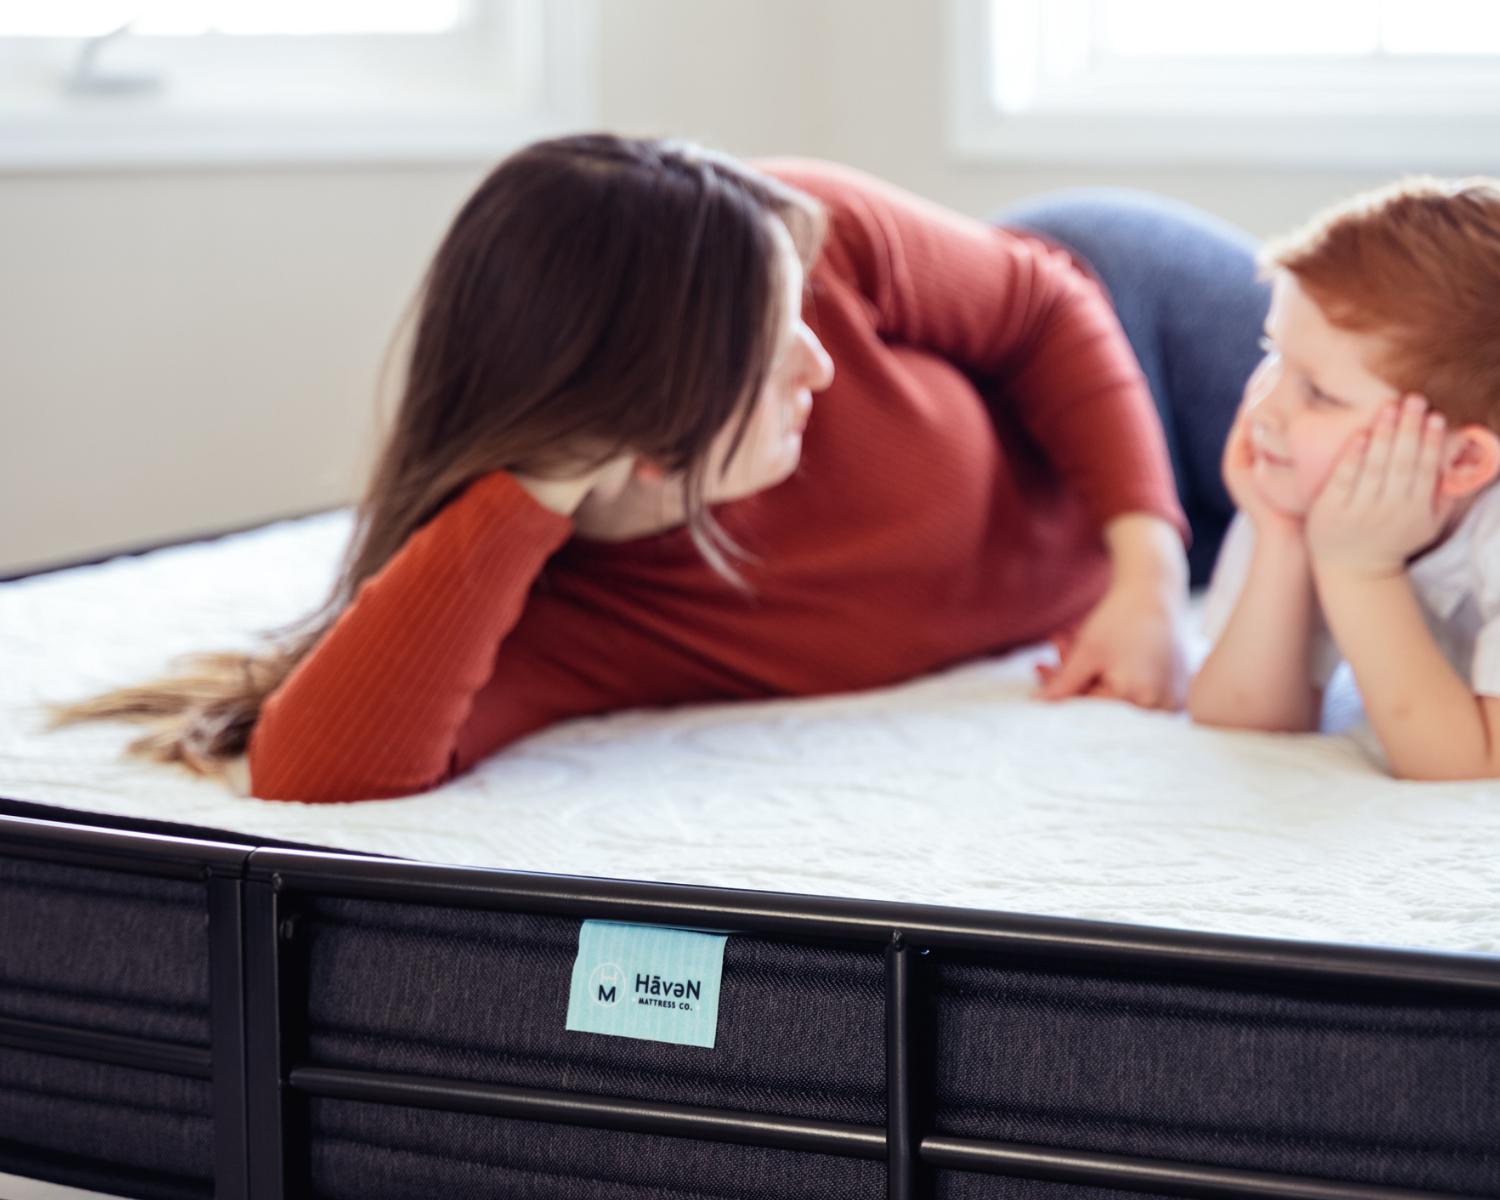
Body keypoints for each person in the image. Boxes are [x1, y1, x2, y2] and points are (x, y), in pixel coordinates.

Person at [44, 133, 1198, 804]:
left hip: (1143, 343)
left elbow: (1050, 299)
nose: (821, 366)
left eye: (804, 320)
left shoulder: (799, 235)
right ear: (641, 435)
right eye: (768, 350)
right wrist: (535, 485)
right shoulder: (563, 618)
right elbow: (318, 769)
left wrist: (1147, 574)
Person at [1188, 177, 1500, 781]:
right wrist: (1279, 536)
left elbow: (1471, 763)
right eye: (1272, 352)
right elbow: (1241, 715)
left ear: (1462, 461)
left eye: (1321, 395)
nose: (1266, 408)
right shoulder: (1311, 485)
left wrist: (1359, 569)